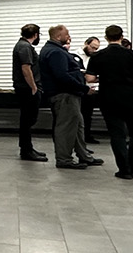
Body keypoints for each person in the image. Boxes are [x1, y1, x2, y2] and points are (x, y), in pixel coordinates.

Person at [86, 26, 133, 179]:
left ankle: (124, 170)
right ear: (121, 37)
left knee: (117, 134)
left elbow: (89, 79)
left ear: (106, 37)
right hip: (132, 98)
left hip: (109, 99)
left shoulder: (98, 56)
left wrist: (104, 77)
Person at [40, 25, 100, 169]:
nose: (69, 37)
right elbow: (62, 76)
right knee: (66, 128)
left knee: (78, 126)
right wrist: (84, 88)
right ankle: (64, 159)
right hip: (64, 95)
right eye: (67, 35)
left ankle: (84, 155)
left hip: (68, 95)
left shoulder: (55, 50)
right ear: (58, 36)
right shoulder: (55, 52)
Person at [12, 24, 47, 162]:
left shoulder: (22, 45)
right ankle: (26, 151)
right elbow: (26, 68)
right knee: (28, 120)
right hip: (27, 89)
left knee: (27, 119)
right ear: (36, 34)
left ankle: (27, 148)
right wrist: (33, 87)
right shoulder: (25, 47)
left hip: (26, 87)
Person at [81, 37, 103, 144]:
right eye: (92, 47)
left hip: (93, 87)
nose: (94, 50)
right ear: (86, 44)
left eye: (96, 49)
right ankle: (82, 136)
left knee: (88, 114)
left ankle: (87, 135)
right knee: (83, 114)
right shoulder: (76, 56)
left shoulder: (95, 57)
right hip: (82, 89)